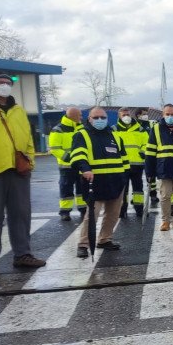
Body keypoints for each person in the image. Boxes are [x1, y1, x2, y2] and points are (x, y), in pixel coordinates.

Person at [0, 70, 46, 277]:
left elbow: (27, 139)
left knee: (21, 214)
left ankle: (22, 255)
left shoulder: (18, 110)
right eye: (1, 82)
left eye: (9, 82)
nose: (6, 85)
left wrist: (30, 161)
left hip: (18, 170)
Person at [70, 107, 129, 258]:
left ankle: (105, 239)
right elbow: (78, 155)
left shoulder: (115, 136)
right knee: (92, 215)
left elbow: (124, 158)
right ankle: (83, 244)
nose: (100, 120)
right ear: (89, 119)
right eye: (96, 117)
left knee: (113, 214)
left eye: (102, 117)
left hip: (115, 181)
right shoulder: (81, 135)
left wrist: (124, 177)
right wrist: (85, 169)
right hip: (94, 182)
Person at [49, 107, 86, 221]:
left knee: (82, 189)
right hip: (67, 166)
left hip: (80, 166)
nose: (81, 117)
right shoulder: (58, 129)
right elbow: (55, 148)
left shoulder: (83, 128)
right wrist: (70, 158)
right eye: (79, 115)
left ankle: (83, 210)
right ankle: (65, 212)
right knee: (66, 189)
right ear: (72, 116)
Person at [112, 107, 147, 218]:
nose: (126, 117)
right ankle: (122, 211)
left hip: (137, 164)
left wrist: (143, 151)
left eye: (128, 114)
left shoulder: (139, 129)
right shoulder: (114, 129)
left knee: (138, 189)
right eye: (124, 115)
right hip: (121, 165)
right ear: (119, 116)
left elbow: (146, 143)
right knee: (123, 189)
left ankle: (139, 209)